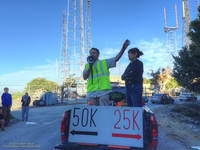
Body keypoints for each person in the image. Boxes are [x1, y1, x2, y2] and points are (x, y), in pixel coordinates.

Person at [83, 40, 130, 106]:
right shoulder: (87, 65)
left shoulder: (104, 63)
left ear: (98, 54)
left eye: (93, 53)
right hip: (91, 93)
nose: (91, 55)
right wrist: (90, 65)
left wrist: (123, 48)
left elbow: (116, 58)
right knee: (92, 111)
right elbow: (84, 77)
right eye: (90, 53)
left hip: (103, 92)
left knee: (104, 111)